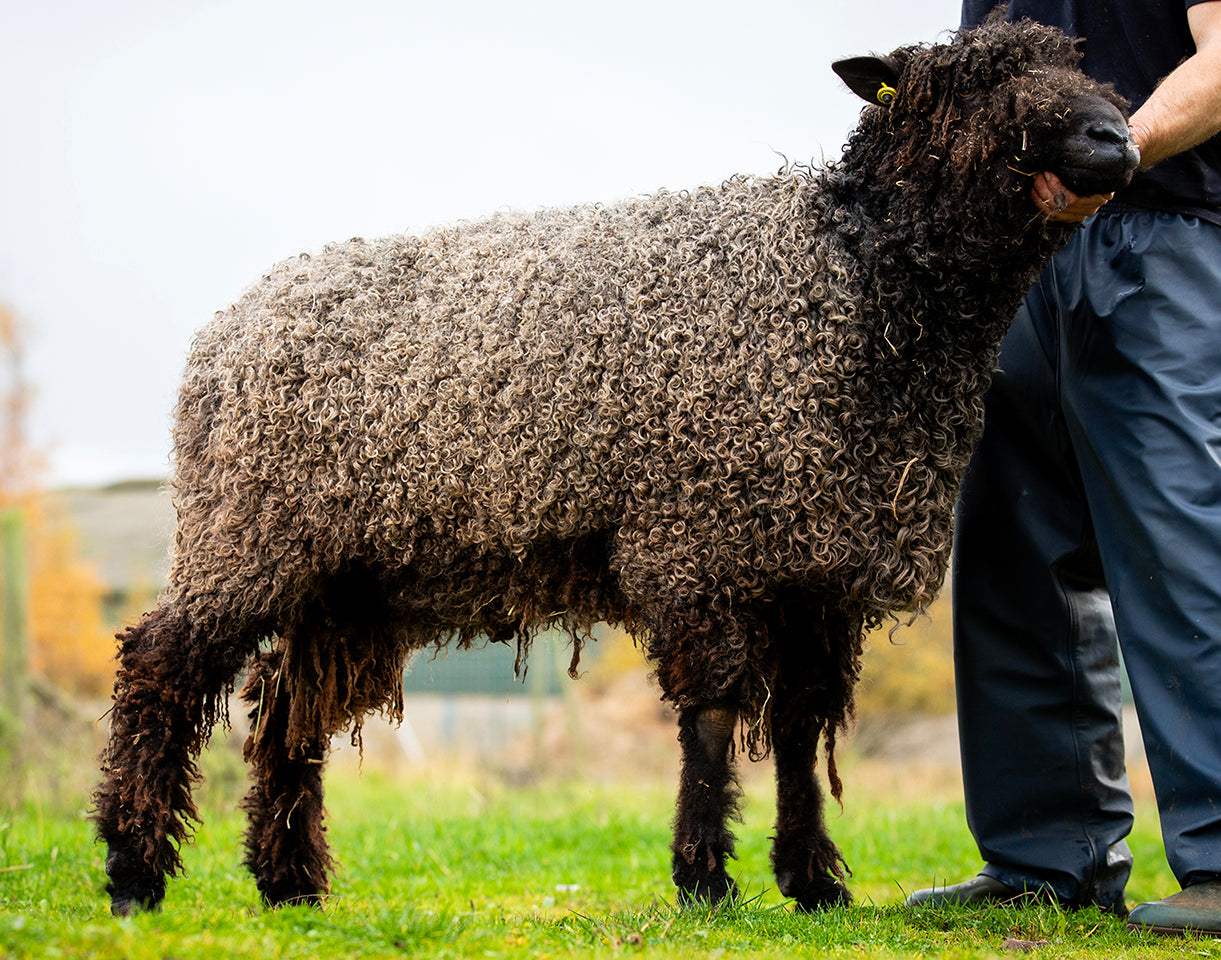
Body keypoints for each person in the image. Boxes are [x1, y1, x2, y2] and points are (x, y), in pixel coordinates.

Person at [905, 0, 1221, 936]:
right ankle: (1048, 856)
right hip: (1016, 259)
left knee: (1181, 547)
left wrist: (1119, 151)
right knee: (1011, 548)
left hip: (1165, 237)